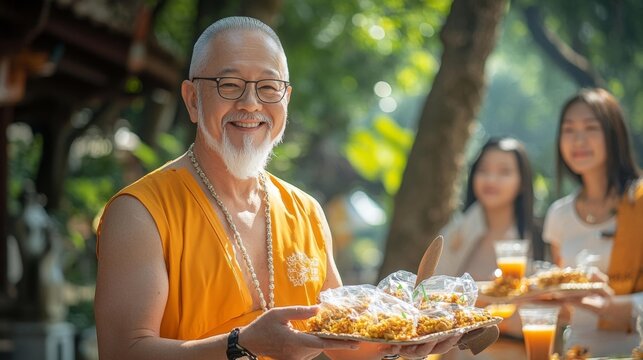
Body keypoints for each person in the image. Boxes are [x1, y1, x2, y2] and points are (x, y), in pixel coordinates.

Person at [94, 16, 471, 360]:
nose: (251, 103)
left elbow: (343, 345)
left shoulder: (304, 211)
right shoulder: (141, 212)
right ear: (193, 99)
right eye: (229, 85)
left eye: (269, 87)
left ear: (286, 100)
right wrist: (238, 344)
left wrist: (407, 339)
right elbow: (123, 351)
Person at [543, 88, 643, 356]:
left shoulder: (640, 203)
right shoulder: (559, 215)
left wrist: (608, 307)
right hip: (577, 351)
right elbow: (566, 311)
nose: (578, 140)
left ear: (614, 135)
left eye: (590, 128)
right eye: (568, 130)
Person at [436, 136, 543, 279]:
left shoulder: (539, 237)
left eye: (504, 171)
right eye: (483, 170)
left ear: (522, 182)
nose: (491, 180)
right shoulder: (454, 233)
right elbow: (433, 288)